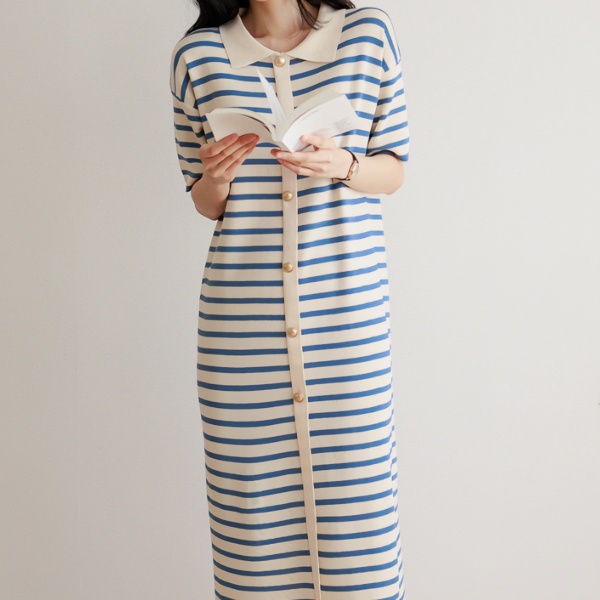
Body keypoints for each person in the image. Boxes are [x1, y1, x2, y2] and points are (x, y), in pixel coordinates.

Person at [170, 1, 411, 598]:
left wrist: (344, 164)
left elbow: (393, 170)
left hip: (346, 318)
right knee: (254, 527)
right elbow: (204, 201)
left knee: (360, 518)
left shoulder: (366, 35)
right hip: (240, 332)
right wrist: (217, 178)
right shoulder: (197, 56)